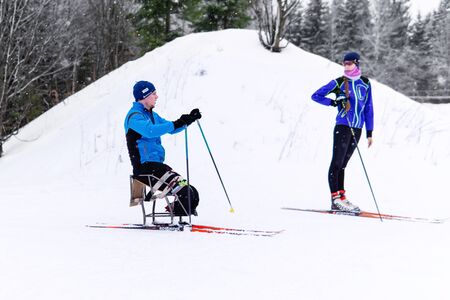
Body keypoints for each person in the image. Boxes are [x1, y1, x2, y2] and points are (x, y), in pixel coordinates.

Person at [124, 80, 201, 216]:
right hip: (144, 168)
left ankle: (176, 212)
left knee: (192, 192)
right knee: (185, 193)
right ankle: (177, 217)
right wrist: (175, 123)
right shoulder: (134, 117)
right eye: (153, 93)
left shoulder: (152, 115)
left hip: (157, 167)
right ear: (144, 97)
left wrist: (188, 120)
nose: (156, 96)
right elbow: (150, 131)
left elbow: (171, 128)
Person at [311, 52, 374, 212]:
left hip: (358, 128)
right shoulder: (339, 82)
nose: (346, 66)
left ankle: (342, 197)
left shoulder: (365, 83)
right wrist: (334, 102)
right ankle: (335, 199)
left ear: (357, 63)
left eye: (349, 63)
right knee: (337, 163)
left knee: (344, 165)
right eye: (344, 63)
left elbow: (368, 108)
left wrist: (369, 132)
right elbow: (316, 96)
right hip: (343, 126)